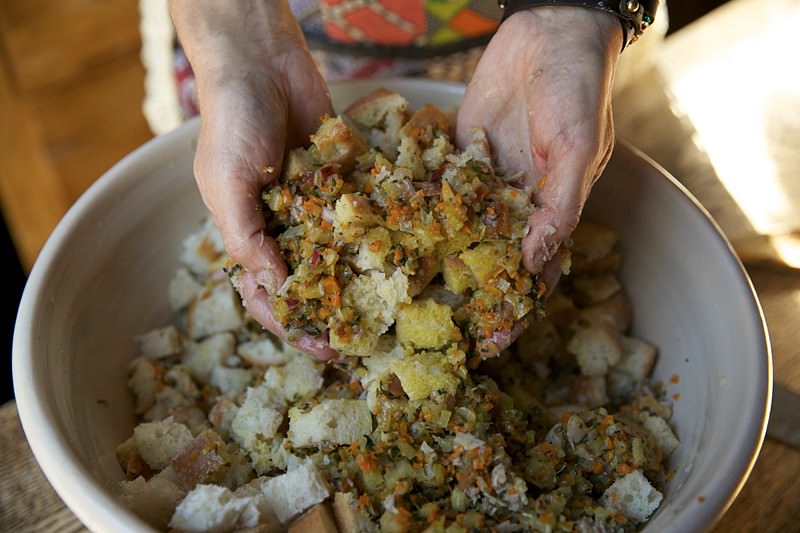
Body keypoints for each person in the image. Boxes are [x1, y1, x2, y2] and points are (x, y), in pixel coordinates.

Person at [166, 0, 660, 360]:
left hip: (535, 43)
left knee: (572, 160)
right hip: (258, 27)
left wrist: (570, 17)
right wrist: (242, 47)